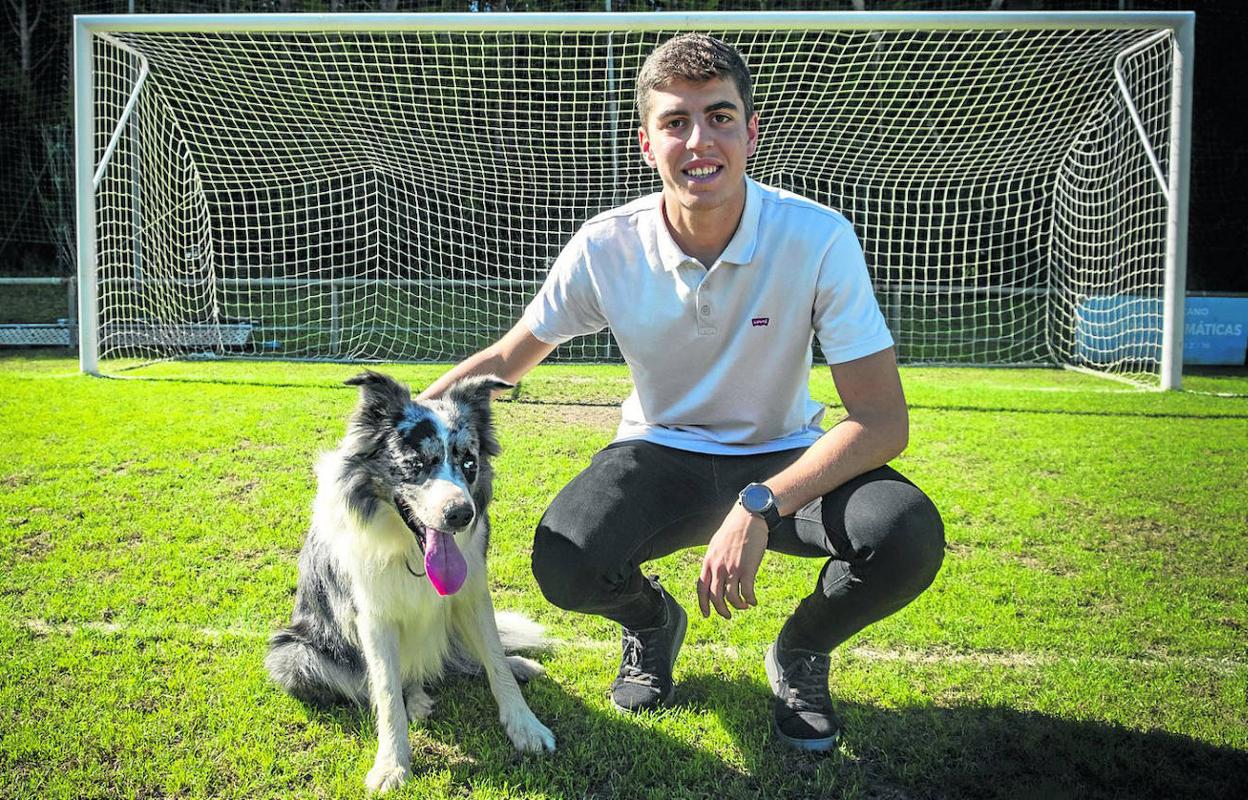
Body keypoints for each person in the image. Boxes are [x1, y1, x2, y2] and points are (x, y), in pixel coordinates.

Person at [420, 33, 945, 752]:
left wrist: (760, 504)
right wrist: (402, 432)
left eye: (720, 117)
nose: (700, 141)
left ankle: (800, 653)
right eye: (676, 122)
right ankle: (652, 624)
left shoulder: (817, 237)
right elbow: (510, 358)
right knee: (564, 559)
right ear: (647, 142)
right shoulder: (608, 245)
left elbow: (882, 423)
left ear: (751, 132)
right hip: (658, 453)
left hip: (784, 456)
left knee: (906, 532)